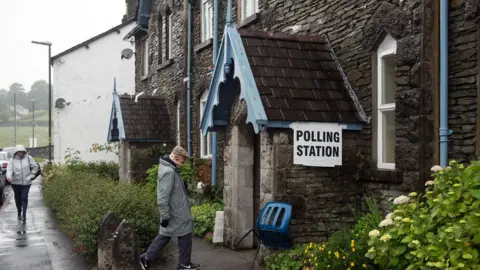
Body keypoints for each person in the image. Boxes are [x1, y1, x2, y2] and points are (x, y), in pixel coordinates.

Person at [139, 146, 200, 270]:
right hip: (176, 213)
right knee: (185, 235)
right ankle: (184, 264)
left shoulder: (171, 169)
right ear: (176, 158)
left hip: (176, 211)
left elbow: (172, 191)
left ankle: (147, 257)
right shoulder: (169, 172)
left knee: (165, 235)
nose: (184, 163)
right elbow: (162, 197)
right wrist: (165, 216)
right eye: (183, 160)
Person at [6, 145, 40, 223]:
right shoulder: (12, 160)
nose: (20, 153)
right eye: (18, 152)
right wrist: (9, 177)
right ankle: (19, 213)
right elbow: (9, 170)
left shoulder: (29, 158)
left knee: (24, 198)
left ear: (24, 152)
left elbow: (35, 167)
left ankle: (24, 214)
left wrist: (31, 176)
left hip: (26, 183)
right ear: (16, 152)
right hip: (15, 183)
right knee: (18, 199)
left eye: (21, 152)